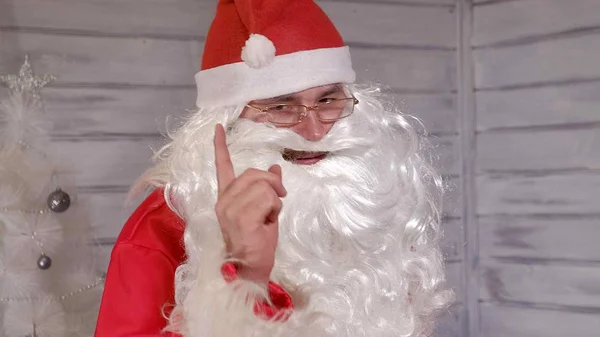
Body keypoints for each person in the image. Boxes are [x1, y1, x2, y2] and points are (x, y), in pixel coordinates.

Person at [94, 0, 455, 336]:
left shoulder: (368, 198)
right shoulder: (160, 229)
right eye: (281, 107)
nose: (314, 132)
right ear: (228, 122)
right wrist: (245, 279)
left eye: (328, 100)